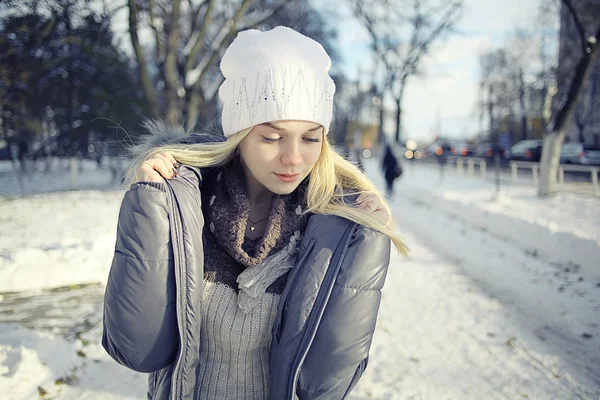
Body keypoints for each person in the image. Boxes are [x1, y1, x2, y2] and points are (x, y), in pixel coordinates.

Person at [102, 26, 408, 400]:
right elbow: (136, 347)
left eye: (311, 138)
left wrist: (368, 241)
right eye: (271, 137)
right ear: (238, 133)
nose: (294, 158)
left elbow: (328, 383)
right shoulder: (185, 205)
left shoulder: (334, 224)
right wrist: (147, 204)